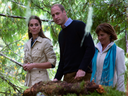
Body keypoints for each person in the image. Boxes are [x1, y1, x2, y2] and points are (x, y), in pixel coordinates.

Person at [51, 4, 95, 83]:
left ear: (64, 12)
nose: (55, 17)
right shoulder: (61, 35)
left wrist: (82, 69)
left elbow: (90, 48)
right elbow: (63, 59)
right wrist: (56, 78)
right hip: (67, 77)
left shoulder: (79, 25)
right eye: (53, 15)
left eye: (57, 13)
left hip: (81, 76)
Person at [23, 15, 56, 87]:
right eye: (31, 25)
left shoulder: (45, 42)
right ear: (29, 28)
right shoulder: (27, 44)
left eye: (36, 25)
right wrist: (25, 66)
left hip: (41, 82)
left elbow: (52, 63)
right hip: (29, 82)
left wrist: (33, 65)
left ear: (40, 27)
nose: (34, 27)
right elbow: (25, 62)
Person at [90, 23, 125, 92]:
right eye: (98, 35)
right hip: (94, 89)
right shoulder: (95, 50)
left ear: (109, 34)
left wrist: (121, 93)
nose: (99, 38)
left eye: (102, 35)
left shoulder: (118, 51)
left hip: (109, 91)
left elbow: (121, 75)